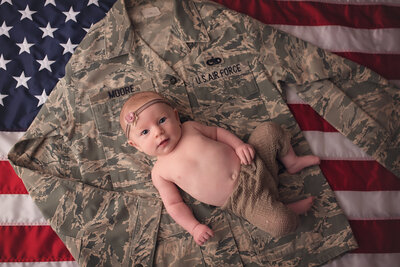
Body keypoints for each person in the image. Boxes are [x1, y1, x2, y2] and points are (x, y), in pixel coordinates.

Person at [120, 91, 320, 245]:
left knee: (270, 130)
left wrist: (239, 145)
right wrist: (194, 228)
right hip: (244, 200)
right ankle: (285, 210)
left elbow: (217, 133)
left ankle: (291, 162)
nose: (158, 132)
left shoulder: (190, 128)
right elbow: (174, 205)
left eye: (162, 120)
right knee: (281, 224)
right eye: (145, 132)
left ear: (175, 116)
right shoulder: (160, 172)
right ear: (135, 145)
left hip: (252, 162)